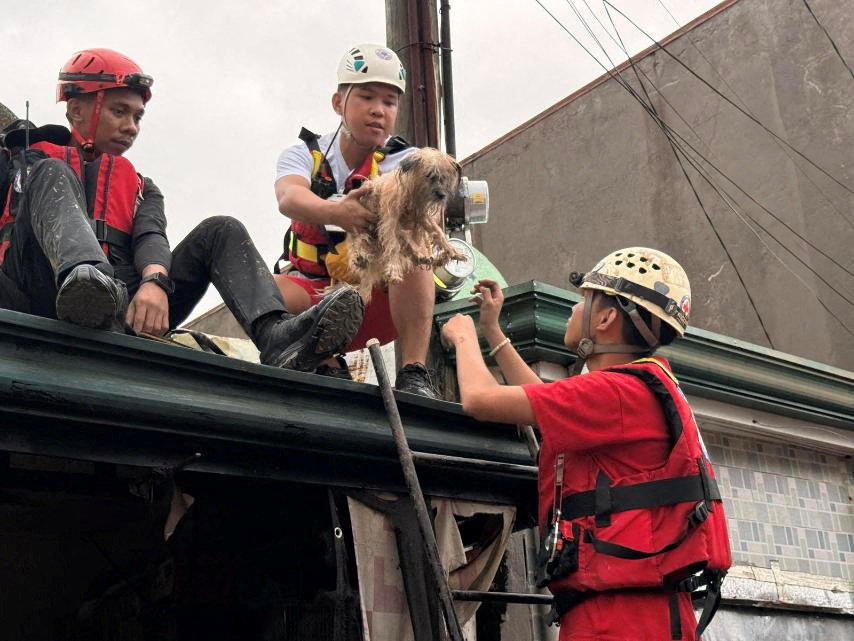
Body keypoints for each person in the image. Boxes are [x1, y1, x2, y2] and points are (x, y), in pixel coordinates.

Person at [0, 48, 364, 371]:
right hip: (38, 294)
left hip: (123, 306)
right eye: (119, 112)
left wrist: (155, 282)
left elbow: (151, 235)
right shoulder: (29, 162)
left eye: (137, 117)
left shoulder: (143, 188)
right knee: (51, 172)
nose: (131, 127)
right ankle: (83, 279)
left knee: (221, 228)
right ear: (77, 109)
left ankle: (278, 336)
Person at [441, 248, 731, 641]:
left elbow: (479, 399)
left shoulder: (617, 392)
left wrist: (461, 337)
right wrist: (492, 331)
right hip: (639, 612)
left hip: (619, 619)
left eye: (583, 300)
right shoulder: (636, 387)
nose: (575, 309)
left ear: (607, 318)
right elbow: (544, 399)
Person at [274, 43, 439, 397]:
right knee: (262, 290)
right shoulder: (304, 153)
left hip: (375, 300)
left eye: (389, 102)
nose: (378, 111)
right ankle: (324, 360)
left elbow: (426, 201)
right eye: (366, 97)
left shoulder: (407, 161)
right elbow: (289, 197)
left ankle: (413, 372)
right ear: (339, 103)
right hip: (312, 297)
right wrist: (338, 212)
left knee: (413, 237)